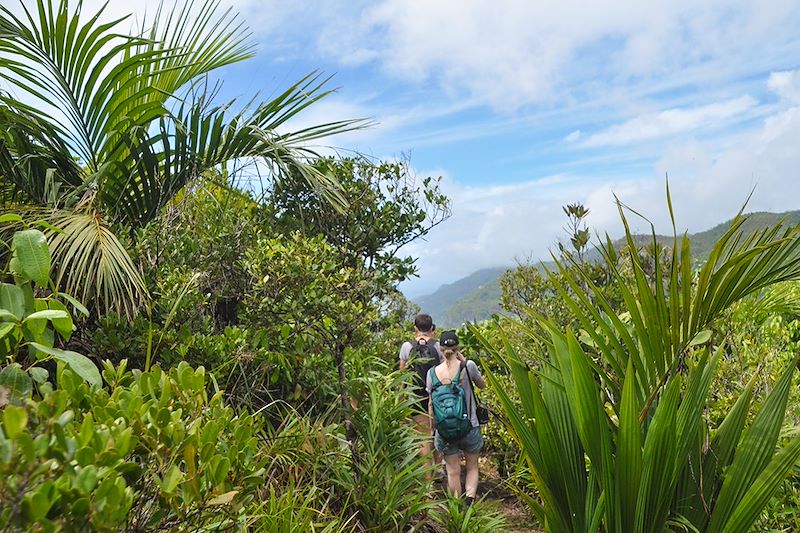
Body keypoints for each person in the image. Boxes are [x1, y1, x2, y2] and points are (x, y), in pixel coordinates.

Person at [426, 330, 485, 506]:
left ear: (440, 348)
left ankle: (456, 508)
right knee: (472, 466)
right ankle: (469, 502)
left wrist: (433, 428)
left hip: (445, 429)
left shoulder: (432, 373)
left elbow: (431, 404)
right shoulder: (468, 366)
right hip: (470, 425)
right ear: (458, 347)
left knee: (452, 471)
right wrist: (465, 362)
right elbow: (482, 385)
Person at [399, 313, 442, 478]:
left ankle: (427, 478)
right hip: (435, 396)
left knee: (422, 437)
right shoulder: (437, 346)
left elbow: (402, 375)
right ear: (431, 328)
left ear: (415, 328)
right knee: (438, 432)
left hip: (415, 398)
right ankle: (438, 468)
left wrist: (400, 399)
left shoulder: (407, 346)